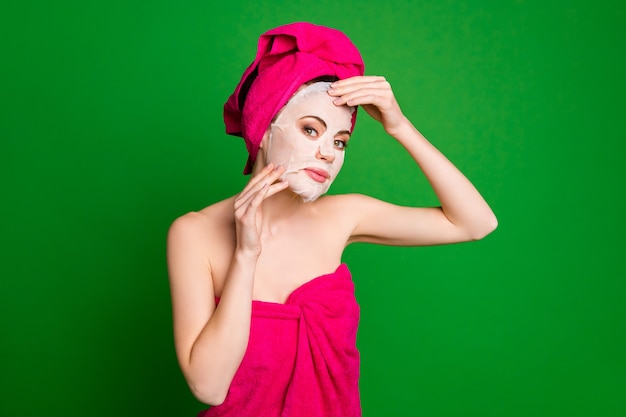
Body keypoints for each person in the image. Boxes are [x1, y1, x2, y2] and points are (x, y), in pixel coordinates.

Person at [167, 22, 497, 417]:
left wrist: (399, 126)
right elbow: (209, 387)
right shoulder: (194, 233)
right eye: (311, 130)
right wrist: (246, 255)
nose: (328, 153)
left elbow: (476, 223)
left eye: (340, 141)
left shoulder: (344, 216)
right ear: (264, 127)